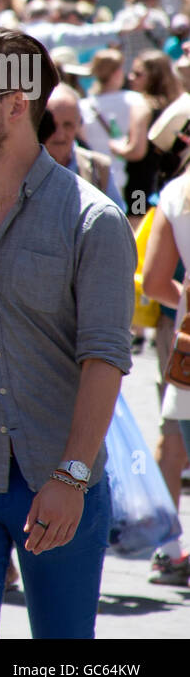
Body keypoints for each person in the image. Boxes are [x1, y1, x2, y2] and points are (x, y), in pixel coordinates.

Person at [0, 27, 135, 638]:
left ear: (17, 104)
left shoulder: (93, 220)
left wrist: (70, 476)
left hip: (60, 479)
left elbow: (106, 357)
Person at [138, 169, 190, 587]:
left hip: (188, 347)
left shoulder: (175, 192)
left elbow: (153, 282)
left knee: (172, 438)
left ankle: (169, 551)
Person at [82, 48, 147, 208]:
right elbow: (138, 147)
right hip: (125, 179)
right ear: (118, 72)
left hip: (91, 178)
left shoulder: (81, 106)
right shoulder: (135, 100)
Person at [43, 85, 125, 208]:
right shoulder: (24, 167)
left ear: (79, 124)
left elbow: (116, 218)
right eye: (53, 125)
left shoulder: (99, 168)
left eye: (68, 125)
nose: (59, 135)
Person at [124, 49, 183, 213]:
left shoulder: (142, 106)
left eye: (138, 74)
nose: (130, 77)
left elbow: (136, 152)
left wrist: (116, 147)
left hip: (140, 186)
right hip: (169, 183)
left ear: (154, 77)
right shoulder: (178, 105)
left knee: (138, 232)